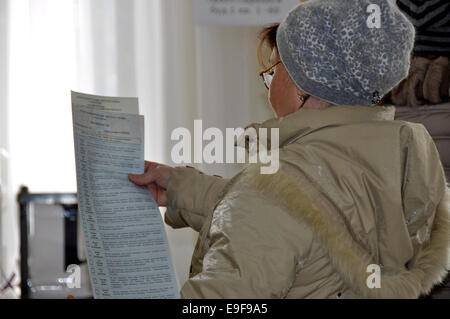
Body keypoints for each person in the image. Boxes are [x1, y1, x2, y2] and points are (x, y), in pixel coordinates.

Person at [129, 0, 450, 298]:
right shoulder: (398, 155)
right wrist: (180, 186)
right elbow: (308, 214)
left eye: (272, 70)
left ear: (301, 84)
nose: (268, 83)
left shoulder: (272, 191)